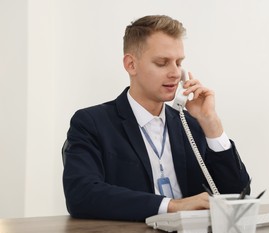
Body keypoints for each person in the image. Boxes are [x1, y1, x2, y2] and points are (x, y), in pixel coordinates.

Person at [62, 15, 250, 221]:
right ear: (131, 65)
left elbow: (239, 196)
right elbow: (81, 195)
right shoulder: (91, 123)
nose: (175, 73)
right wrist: (171, 206)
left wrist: (211, 123)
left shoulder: (191, 124)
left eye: (179, 63)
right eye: (162, 63)